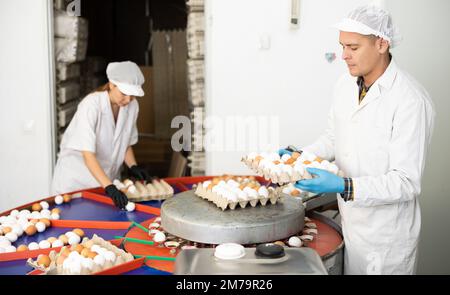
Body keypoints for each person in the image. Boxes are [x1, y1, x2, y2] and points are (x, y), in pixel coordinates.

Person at [280, 5, 435, 274]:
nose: (344, 55)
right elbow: (334, 136)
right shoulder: (345, 85)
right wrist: (301, 155)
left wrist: (345, 186)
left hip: (386, 237)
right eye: (342, 46)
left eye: (353, 47)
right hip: (351, 224)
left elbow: (406, 182)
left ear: (382, 44)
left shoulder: (410, 100)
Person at [51, 61, 149, 209]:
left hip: (105, 181)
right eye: (124, 93)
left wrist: (133, 166)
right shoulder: (91, 106)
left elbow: (125, 142)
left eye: (133, 95)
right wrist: (109, 187)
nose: (128, 100)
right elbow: (88, 155)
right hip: (77, 181)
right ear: (111, 85)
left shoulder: (132, 106)